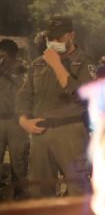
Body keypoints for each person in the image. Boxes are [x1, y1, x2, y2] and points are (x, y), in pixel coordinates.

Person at [17, 16, 95, 197]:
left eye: (59, 38)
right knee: (39, 190)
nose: (54, 42)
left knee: (79, 189)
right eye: (50, 38)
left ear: (71, 35)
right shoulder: (37, 64)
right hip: (40, 134)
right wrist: (23, 121)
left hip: (71, 132)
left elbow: (84, 97)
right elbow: (24, 95)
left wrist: (57, 65)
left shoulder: (84, 61)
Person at [0, 39, 29, 199]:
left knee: (19, 162)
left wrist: (7, 72)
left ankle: (20, 197)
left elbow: (24, 89)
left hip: (16, 122)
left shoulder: (21, 68)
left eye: (3, 54)